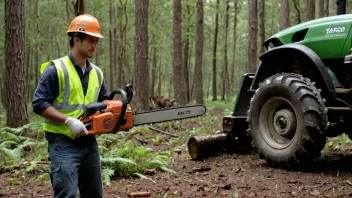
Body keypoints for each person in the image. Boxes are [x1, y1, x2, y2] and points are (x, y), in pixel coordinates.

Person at [32, 14, 109, 198]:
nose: (94, 45)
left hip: (89, 142)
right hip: (62, 143)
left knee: (94, 194)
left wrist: (115, 115)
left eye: (96, 41)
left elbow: (104, 102)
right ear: (76, 40)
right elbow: (39, 103)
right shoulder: (56, 69)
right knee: (66, 194)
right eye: (90, 40)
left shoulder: (97, 73)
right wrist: (68, 121)